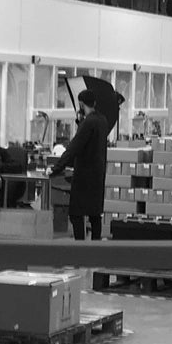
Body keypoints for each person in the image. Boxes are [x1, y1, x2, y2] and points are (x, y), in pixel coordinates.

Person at [51, 90, 108, 240]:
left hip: (84, 175)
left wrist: (57, 168)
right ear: (94, 103)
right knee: (95, 214)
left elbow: (74, 147)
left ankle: (79, 247)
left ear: (81, 104)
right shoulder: (102, 120)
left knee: (76, 214)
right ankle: (95, 246)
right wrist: (80, 122)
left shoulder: (88, 122)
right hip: (98, 173)